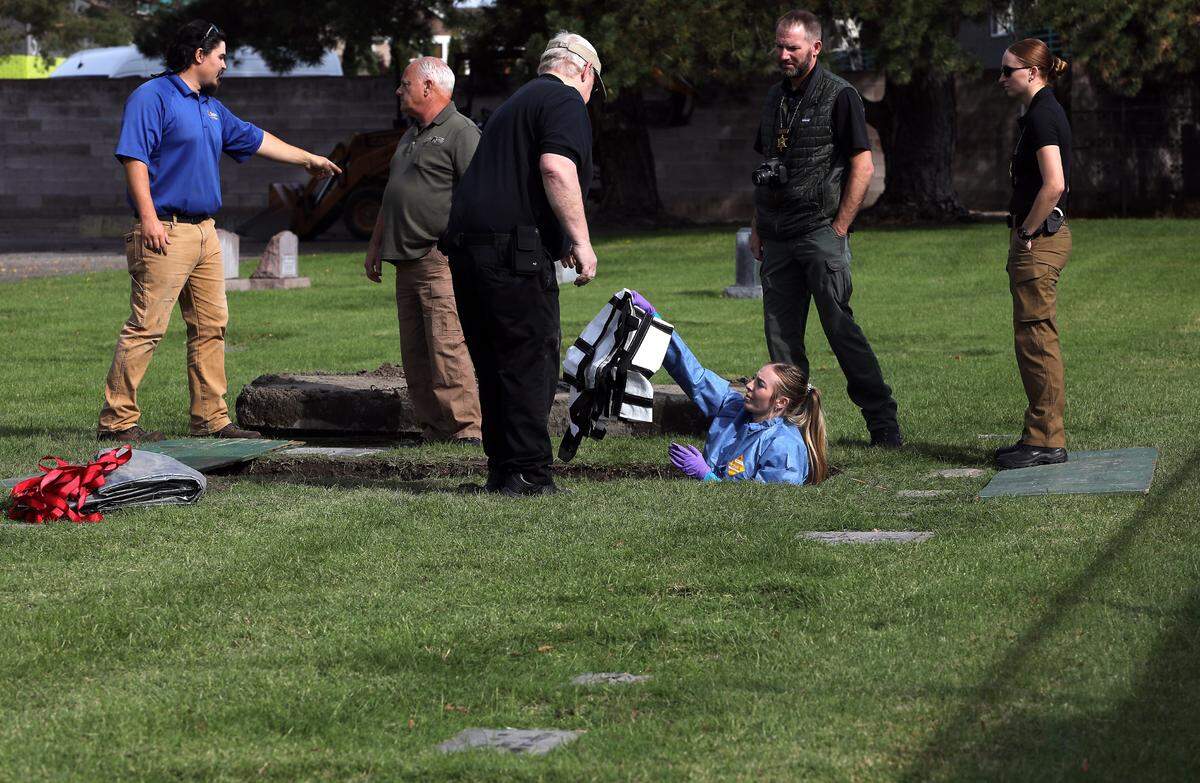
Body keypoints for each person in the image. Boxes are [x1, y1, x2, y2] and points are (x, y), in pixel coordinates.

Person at [98, 20, 341, 443]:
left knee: (212, 326)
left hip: (206, 233)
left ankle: (210, 419)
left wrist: (307, 159)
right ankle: (117, 423)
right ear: (199, 56)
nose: (225, 65)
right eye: (222, 56)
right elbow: (134, 159)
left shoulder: (209, 107)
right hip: (165, 230)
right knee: (147, 327)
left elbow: (256, 138)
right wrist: (150, 218)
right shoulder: (151, 97)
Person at [443, 31, 604, 496]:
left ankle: (503, 470)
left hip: (469, 251)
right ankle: (531, 473)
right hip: (512, 255)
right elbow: (556, 167)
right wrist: (581, 239)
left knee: (493, 364)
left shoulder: (515, 103)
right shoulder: (565, 100)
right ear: (585, 72)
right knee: (529, 360)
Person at [749, 10, 901, 449]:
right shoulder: (772, 99)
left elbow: (863, 164)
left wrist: (839, 228)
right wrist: (756, 226)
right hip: (777, 236)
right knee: (781, 339)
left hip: (819, 232)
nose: (783, 54)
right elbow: (764, 167)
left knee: (840, 328)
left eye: (792, 47)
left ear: (815, 47)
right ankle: (791, 432)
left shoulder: (841, 95)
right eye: (779, 46)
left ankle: (882, 422)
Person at [364, 56, 482, 445]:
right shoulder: (410, 134)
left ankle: (466, 430)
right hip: (404, 261)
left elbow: (478, 196)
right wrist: (376, 244)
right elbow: (391, 194)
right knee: (415, 354)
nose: (398, 91)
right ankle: (433, 428)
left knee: (447, 346)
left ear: (429, 88)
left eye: (405, 84)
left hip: (438, 260)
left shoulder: (461, 132)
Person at [631, 292, 829, 486]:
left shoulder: (784, 446)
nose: (749, 385)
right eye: (754, 378)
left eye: (760, 384)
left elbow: (769, 504)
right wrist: (656, 323)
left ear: (781, 402)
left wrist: (708, 478)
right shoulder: (734, 407)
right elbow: (695, 376)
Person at [994, 40, 1072, 469]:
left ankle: (1046, 441)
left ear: (1032, 72)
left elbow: (1054, 183)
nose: (1001, 78)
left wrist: (1026, 230)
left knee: (1037, 341)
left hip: (1039, 241)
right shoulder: (1038, 113)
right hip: (1036, 240)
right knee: (1032, 341)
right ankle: (1038, 434)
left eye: (1008, 71)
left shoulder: (1043, 114)